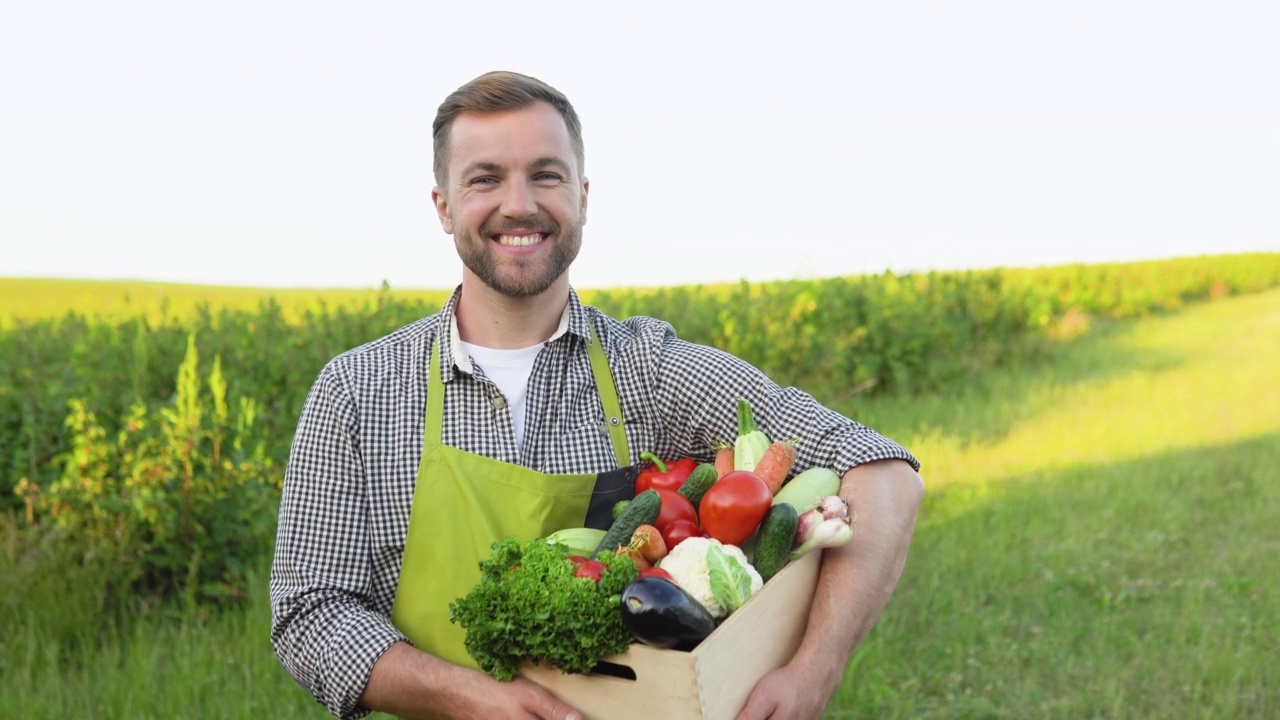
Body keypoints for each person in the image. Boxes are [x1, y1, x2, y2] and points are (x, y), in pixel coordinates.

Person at [270, 70, 924, 720]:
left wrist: (814, 670)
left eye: (546, 175)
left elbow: (886, 474)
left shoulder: (650, 372)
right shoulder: (358, 393)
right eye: (485, 178)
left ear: (582, 197)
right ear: (443, 205)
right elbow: (309, 611)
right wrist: (468, 697)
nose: (519, 204)